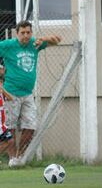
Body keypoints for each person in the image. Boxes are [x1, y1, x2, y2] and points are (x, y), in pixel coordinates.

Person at [0, 20, 61, 167]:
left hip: (28, 94)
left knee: (31, 126)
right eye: (23, 33)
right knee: (11, 127)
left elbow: (58, 40)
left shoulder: (35, 44)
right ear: (17, 33)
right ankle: (13, 159)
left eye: (28, 32)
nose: (26, 36)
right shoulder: (8, 45)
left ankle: (19, 156)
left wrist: (44, 39)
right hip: (11, 93)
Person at [0, 75, 14, 154]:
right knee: (10, 141)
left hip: (2, 126)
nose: (1, 84)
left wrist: (3, 90)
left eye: (2, 83)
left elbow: (10, 98)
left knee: (10, 141)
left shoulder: (2, 94)